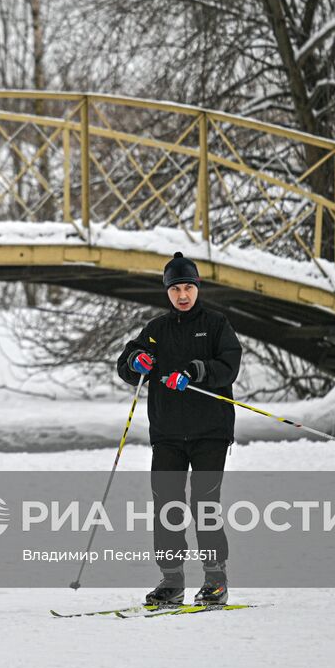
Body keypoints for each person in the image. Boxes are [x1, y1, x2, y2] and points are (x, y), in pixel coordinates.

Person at [116, 252, 243, 607]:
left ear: (197, 288)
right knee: (167, 507)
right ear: (167, 292)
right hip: (168, 434)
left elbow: (229, 365)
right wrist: (134, 362)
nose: (183, 295)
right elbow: (126, 365)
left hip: (210, 432)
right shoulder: (156, 330)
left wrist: (195, 372)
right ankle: (171, 580)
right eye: (176, 289)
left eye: (188, 287)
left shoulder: (216, 324)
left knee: (205, 504)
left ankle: (215, 579)